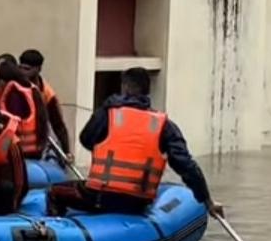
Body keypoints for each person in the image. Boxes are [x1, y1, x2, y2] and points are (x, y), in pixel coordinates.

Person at [47, 68, 223, 218]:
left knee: (54, 192)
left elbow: (86, 140)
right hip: (137, 201)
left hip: (99, 197)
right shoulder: (164, 125)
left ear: (124, 87)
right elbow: (186, 165)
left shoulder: (108, 113)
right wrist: (207, 201)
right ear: (147, 91)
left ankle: (58, 233)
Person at [0, 56, 49, 158]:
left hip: (20, 149)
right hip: (33, 148)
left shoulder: (14, 94)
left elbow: (11, 121)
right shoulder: (30, 88)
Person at [18, 48, 72, 160]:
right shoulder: (13, 87)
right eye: (21, 68)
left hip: (35, 149)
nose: (23, 72)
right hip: (15, 147)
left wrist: (67, 151)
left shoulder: (47, 94)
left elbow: (58, 125)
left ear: (38, 69)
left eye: (27, 69)